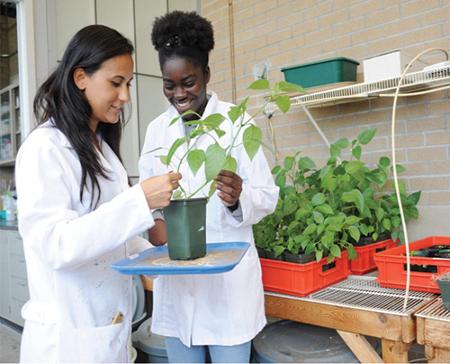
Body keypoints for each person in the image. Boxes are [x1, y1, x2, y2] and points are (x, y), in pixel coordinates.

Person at [15, 24, 181, 363]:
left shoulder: (102, 150)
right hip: (68, 341)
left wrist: (158, 258)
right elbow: (56, 245)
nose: (125, 97)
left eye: (128, 84)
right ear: (81, 78)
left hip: (107, 334)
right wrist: (140, 200)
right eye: (115, 83)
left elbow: (117, 236)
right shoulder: (45, 148)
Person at [139, 11, 279, 363]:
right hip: (178, 285)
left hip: (227, 293)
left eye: (188, 82)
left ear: (206, 75)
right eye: (169, 85)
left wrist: (238, 198)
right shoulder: (158, 130)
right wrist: (155, 221)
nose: (179, 94)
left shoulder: (235, 122)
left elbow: (268, 196)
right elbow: (146, 195)